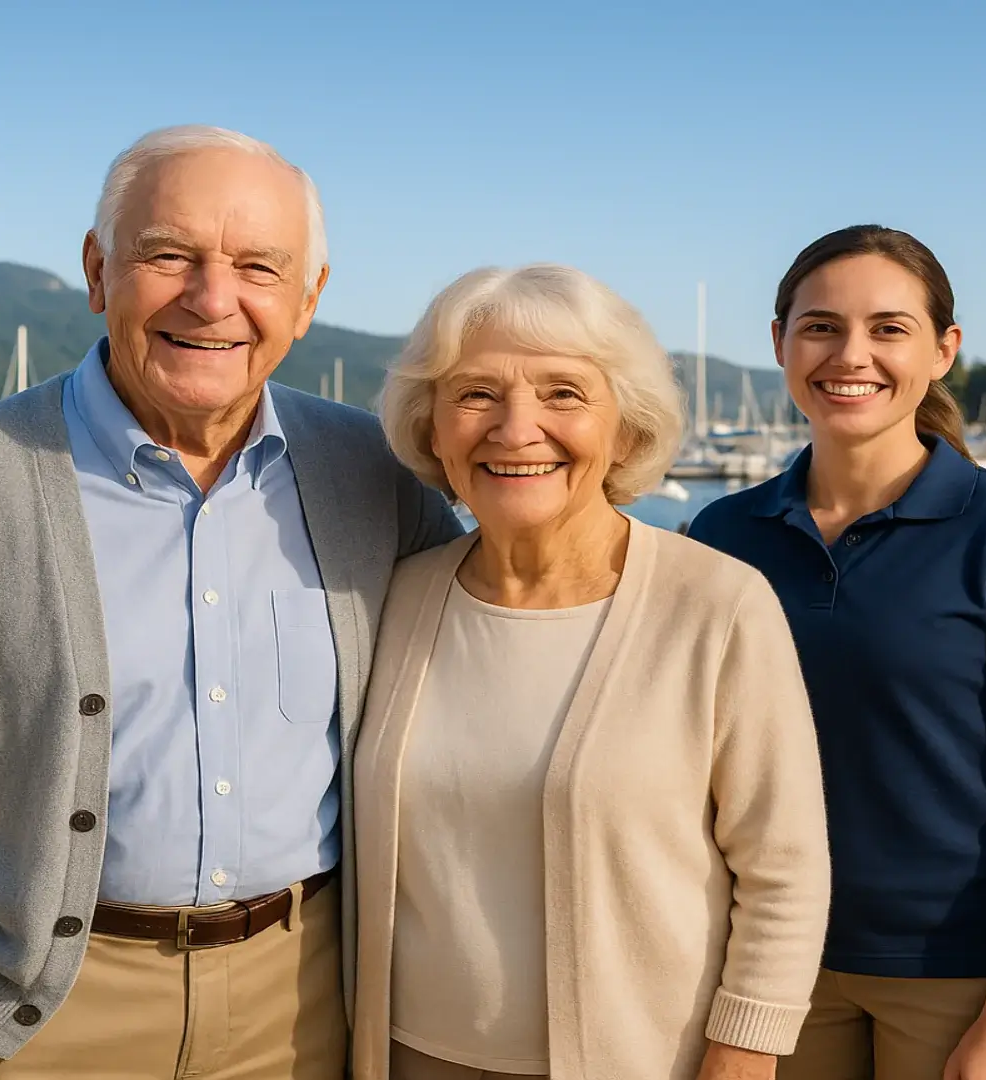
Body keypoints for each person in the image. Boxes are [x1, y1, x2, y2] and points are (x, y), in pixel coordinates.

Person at [0, 125, 462, 1080]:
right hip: (34, 1015)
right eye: (169, 255)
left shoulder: (374, 473)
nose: (212, 299)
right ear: (97, 269)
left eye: (258, 267)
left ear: (310, 299)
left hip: (308, 1000)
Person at [345, 264, 831, 1080]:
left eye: (564, 393)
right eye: (476, 395)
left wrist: (745, 1053)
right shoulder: (398, 597)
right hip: (407, 1059)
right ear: (431, 428)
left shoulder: (716, 605)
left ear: (627, 431)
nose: (515, 427)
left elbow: (785, 868)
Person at [688, 225, 986, 1080]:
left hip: (965, 975)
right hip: (774, 968)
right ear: (779, 343)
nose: (852, 354)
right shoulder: (721, 534)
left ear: (943, 351)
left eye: (889, 329)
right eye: (821, 326)